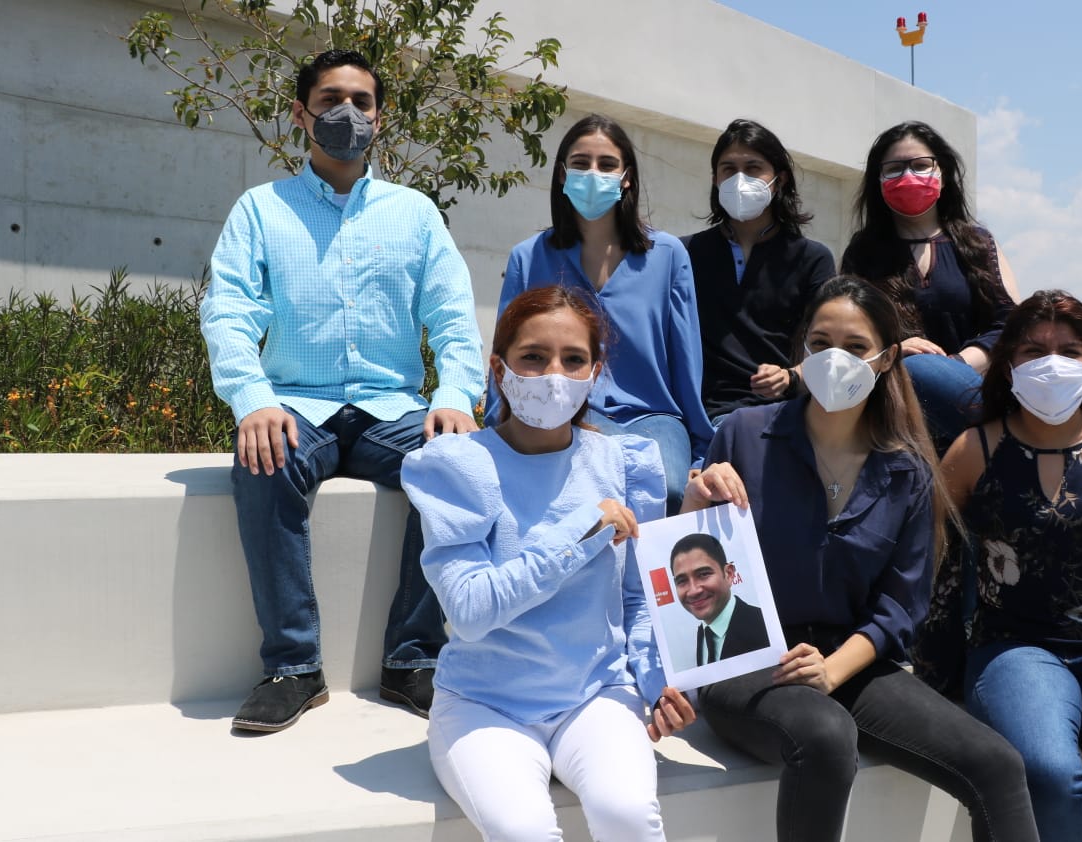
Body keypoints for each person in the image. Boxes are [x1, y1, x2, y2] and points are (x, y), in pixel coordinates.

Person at [683, 277, 1039, 842]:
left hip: (848, 659)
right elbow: (692, 572)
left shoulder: (908, 471)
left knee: (997, 764)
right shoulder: (744, 434)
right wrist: (693, 500)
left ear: (886, 358)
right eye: (820, 343)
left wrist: (832, 670)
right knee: (824, 736)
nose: (834, 359)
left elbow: (901, 606)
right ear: (801, 352)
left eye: (854, 347)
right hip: (747, 658)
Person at [200, 49, 484, 733]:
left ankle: (413, 658)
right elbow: (229, 310)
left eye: (361, 101)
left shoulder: (414, 214)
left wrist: (454, 396)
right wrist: (253, 399)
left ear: (379, 119)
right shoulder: (260, 210)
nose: (346, 114)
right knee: (262, 463)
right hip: (298, 406)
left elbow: (452, 318)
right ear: (301, 114)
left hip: (394, 411)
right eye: (330, 100)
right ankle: (293, 669)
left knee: (460, 466)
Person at [403, 285, 695, 842]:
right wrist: (581, 531)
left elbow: (638, 598)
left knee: (628, 814)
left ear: (596, 370)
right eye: (533, 357)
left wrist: (658, 683)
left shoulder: (624, 463)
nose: (553, 374)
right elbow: (468, 610)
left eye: (574, 359)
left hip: (597, 694)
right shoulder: (459, 467)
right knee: (523, 831)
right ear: (499, 368)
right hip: (484, 704)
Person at [912, 290, 1082, 841]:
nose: (1051, 363)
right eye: (1033, 350)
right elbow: (935, 566)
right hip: (1014, 647)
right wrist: (936, 675)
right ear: (1008, 363)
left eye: (1069, 349)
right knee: (1046, 776)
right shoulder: (974, 449)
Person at [490, 114, 712, 514]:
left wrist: (700, 448)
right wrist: (495, 425)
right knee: (579, 494)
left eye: (606, 164)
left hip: (653, 416)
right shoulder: (528, 256)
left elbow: (685, 356)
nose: (593, 173)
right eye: (580, 163)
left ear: (626, 177)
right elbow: (506, 351)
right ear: (561, 175)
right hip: (563, 410)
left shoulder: (668, 256)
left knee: (670, 489)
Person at [841, 120, 1021, 450]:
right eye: (894, 169)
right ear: (878, 180)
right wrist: (897, 351)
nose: (908, 176)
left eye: (921, 165)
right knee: (918, 369)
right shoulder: (863, 251)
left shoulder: (978, 243)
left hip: (971, 391)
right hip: (898, 413)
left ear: (943, 171)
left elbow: (1010, 323)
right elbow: (849, 331)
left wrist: (952, 366)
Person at [684, 119, 836, 420]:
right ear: (715, 179)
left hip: (783, 414)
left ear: (778, 181)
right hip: (703, 414)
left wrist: (791, 376)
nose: (740, 179)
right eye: (729, 169)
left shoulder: (813, 258)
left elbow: (828, 345)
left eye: (753, 168)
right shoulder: (685, 253)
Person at [668, 532, 770, 668]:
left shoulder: (765, 625)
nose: (693, 590)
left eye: (703, 574)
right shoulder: (703, 633)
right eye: (682, 581)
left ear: (729, 574)